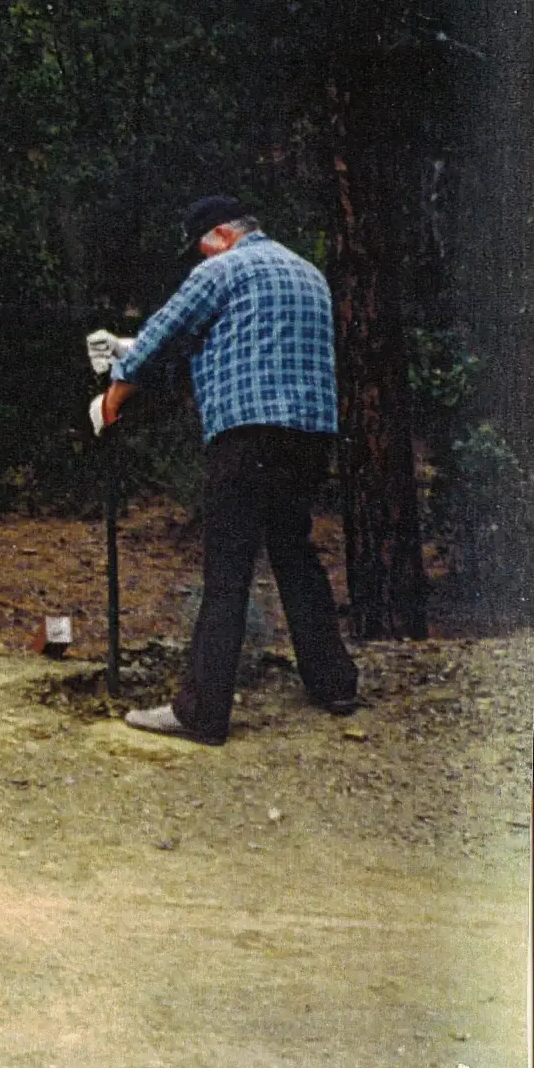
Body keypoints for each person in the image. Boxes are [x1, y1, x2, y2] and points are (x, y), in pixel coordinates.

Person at [90, 195, 357, 745]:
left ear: (217, 237)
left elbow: (168, 332)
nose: (196, 260)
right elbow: (235, 341)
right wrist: (128, 345)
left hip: (244, 436)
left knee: (227, 572)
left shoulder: (223, 269)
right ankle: (335, 684)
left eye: (198, 250)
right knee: (296, 553)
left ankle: (202, 712)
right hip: (309, 436)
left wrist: (113, 395)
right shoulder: (306, 272)